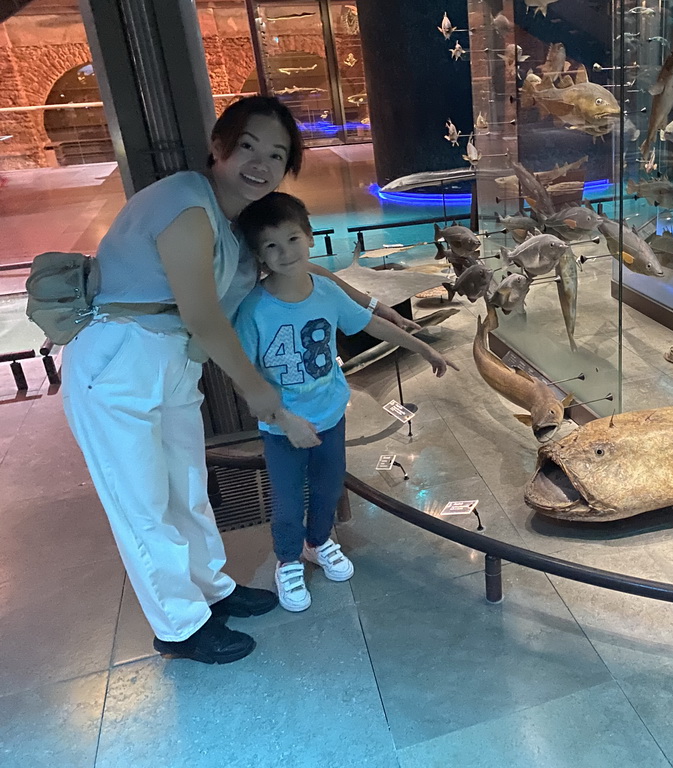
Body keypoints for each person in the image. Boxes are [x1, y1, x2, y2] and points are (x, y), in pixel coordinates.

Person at [61, 96, 414, 665]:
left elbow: (298, 268)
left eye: (277, 154)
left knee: (187, 489)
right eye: (248, 145)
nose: (261, 163)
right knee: (144, 504)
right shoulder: (187, 203)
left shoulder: (233, 221)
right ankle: (179, 626)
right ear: (220, 146)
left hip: (172, 360)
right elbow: (202, 313)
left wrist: (372, 302)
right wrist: (261, 395)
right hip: (121, 359)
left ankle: (212, 592)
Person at [234, 192, 457, 611]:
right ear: (258, 255)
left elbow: (369, 322)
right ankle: (287, 559)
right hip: (282, 428)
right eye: (270, 246)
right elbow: (242, 375)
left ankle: (317, 543)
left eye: (292, 240)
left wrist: (423, 347)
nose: (285, 253)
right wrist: (283, 419)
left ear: (310, 238)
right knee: (286, 500)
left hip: (330, 416)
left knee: (327, 486)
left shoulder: (326, 292)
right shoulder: (253, 310)